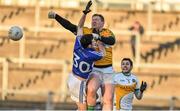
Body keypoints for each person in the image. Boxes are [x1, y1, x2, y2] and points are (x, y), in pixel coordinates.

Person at [48, 1, 116, 110]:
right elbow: (69, 26)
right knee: (91, 91)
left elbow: (112, 41)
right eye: (93, 19)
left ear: (103, 23)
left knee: (108, 99)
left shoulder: (107, 32)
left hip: (107, 69)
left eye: (97, 20)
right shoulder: (86, 32)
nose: (94, 21)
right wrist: (57, 17)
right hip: (94, 70)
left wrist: (98, 37)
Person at [67, 2, 106, 110]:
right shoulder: (90, 54)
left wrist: (84, 14)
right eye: (92, 42)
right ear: (89, 45)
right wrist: (99, 41)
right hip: (79, 83)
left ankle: (94, 101)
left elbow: (79, 26)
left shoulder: (78, 43)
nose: (93, 43)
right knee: (83, 109)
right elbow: (103, 54)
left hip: (73, 77)